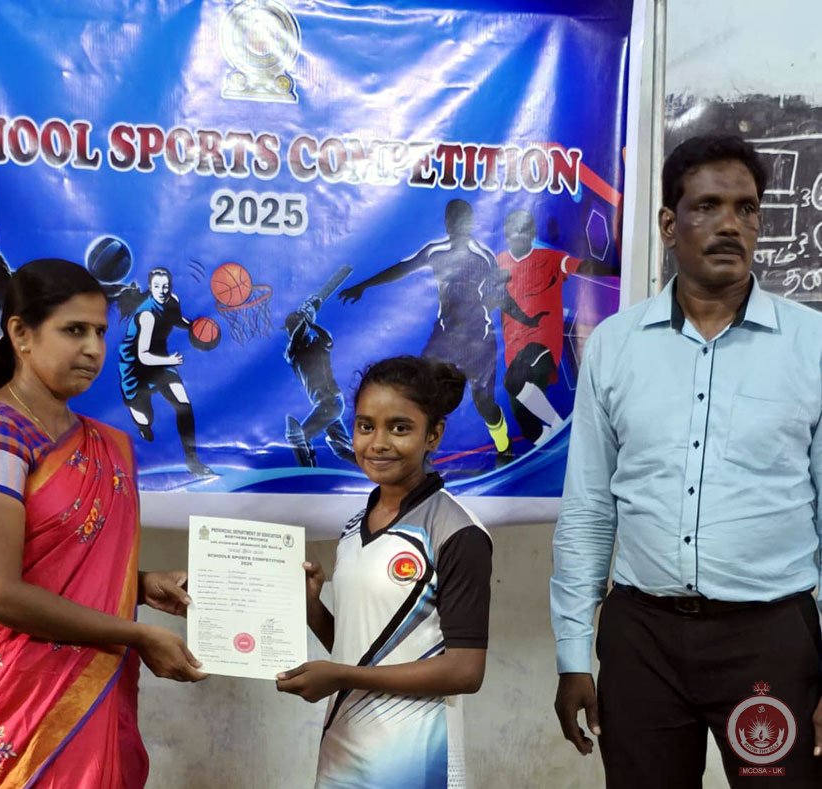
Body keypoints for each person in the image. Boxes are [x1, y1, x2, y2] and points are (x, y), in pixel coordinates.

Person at [550, 134, 822, 786]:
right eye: (708, 206)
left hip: (771, 638)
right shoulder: (616, 345)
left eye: (746, 208)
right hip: (642, 639)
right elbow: (588, 510)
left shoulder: (811, 345)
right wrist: (572, 655)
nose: (731, 224)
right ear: (669, 225)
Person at [0, 259, 206, 788]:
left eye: (100, 332)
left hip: (95, 688)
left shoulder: (107, 444)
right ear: (21, 333)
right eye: (74, 330)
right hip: (11, 702)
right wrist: (136, 634)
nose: (93, 349)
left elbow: (60, 566)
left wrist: (140, 585)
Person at [276, 355, 492, 788]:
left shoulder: (458, 532)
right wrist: (311, 608)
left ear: (433, 435)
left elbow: (465, 672)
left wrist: (341, 676)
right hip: (342, 753)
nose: (378, 443)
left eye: (399, 428)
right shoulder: (354, 528)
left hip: (417, 761)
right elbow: (361, 647)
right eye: (365, 426)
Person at [339, 199, 543, 462]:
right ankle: (419, 456)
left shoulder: (483, 256)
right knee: (419, 395)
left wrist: (527, 320)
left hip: (478, 340)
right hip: (445, 337)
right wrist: (364, 285)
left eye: (461, 221)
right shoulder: (435, 251)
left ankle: (504, 446)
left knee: (484, 403)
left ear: (470, 224)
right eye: (451, 220)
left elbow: (501, 297)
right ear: (447, 224)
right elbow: (402, 268)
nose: (456, 226)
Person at [497, 209, 613, 445]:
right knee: (529, 429)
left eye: (523, 230)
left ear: (532, 234)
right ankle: (550, 440)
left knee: (514, 380)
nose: (517, 235)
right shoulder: (498, 263)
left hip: (542, 343)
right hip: (514, 351)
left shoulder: (550, 259)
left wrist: (619, 270)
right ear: (506, 235)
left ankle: (559, 427)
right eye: (513, 231)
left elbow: (582, 266)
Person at [117, 267, 212, 476]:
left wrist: (194, 327)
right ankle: (143, 426)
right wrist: (170, 360)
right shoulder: (147, 316)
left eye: (166, 286)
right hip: (136, 367)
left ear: (170, 287)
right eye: (157, 286)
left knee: (183, 404)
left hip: (159, 360)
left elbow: (175, 319)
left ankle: (192, 460)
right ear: (150, 288)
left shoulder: (172, 301)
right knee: (145, 419)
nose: (162, 290)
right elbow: (143, 355)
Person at [283, 297, 355, 467]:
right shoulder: (291, 352)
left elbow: (328, 340)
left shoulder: (317, 345)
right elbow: (297, 337)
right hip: (324, 406)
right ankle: (372, 465)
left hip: (330, 403)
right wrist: (307, 317)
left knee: (298, 437)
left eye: (292, 327)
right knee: (343, 448)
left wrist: (311, 322)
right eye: (290, 329)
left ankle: (308, 471)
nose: (290, 332)